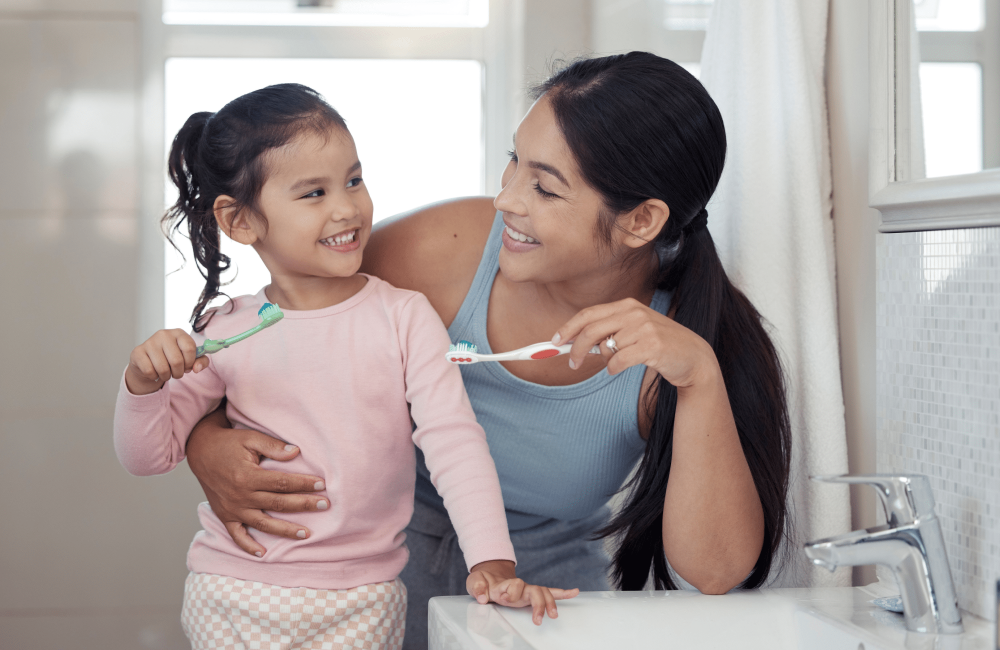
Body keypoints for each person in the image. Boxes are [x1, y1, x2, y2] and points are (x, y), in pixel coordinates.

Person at [184, 53, 793, 649]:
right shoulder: (438, 250)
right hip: (371, 567)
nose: (506, 200)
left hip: (541, 589)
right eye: (514, 162)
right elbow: (262, 333)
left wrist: (701, 382)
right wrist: (203, 441)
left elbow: (714, 573)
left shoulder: (683, 347)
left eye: (545, 189)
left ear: (640, 221)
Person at [113, 83, 575, 650]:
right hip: (233, 591)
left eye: (353, 180)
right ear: (240, 222)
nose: (347, 207)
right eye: (313, 193)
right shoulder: (225, 330)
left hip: (365, 600)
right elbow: (147, 456)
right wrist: (140, 386)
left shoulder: (404, 316)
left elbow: (454, 441)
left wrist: (494, 563)